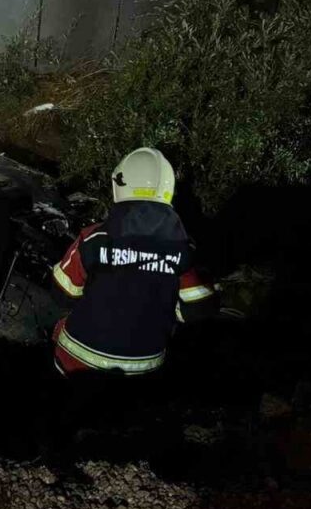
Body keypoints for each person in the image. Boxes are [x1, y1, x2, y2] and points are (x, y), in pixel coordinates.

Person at [50, 147, 219, 376]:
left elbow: (62, 294)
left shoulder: (93, 239)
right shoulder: (183, 249)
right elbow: (198, 309)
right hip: (143, 370)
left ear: (119, 186)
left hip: (76, 362)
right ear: (167, 191)